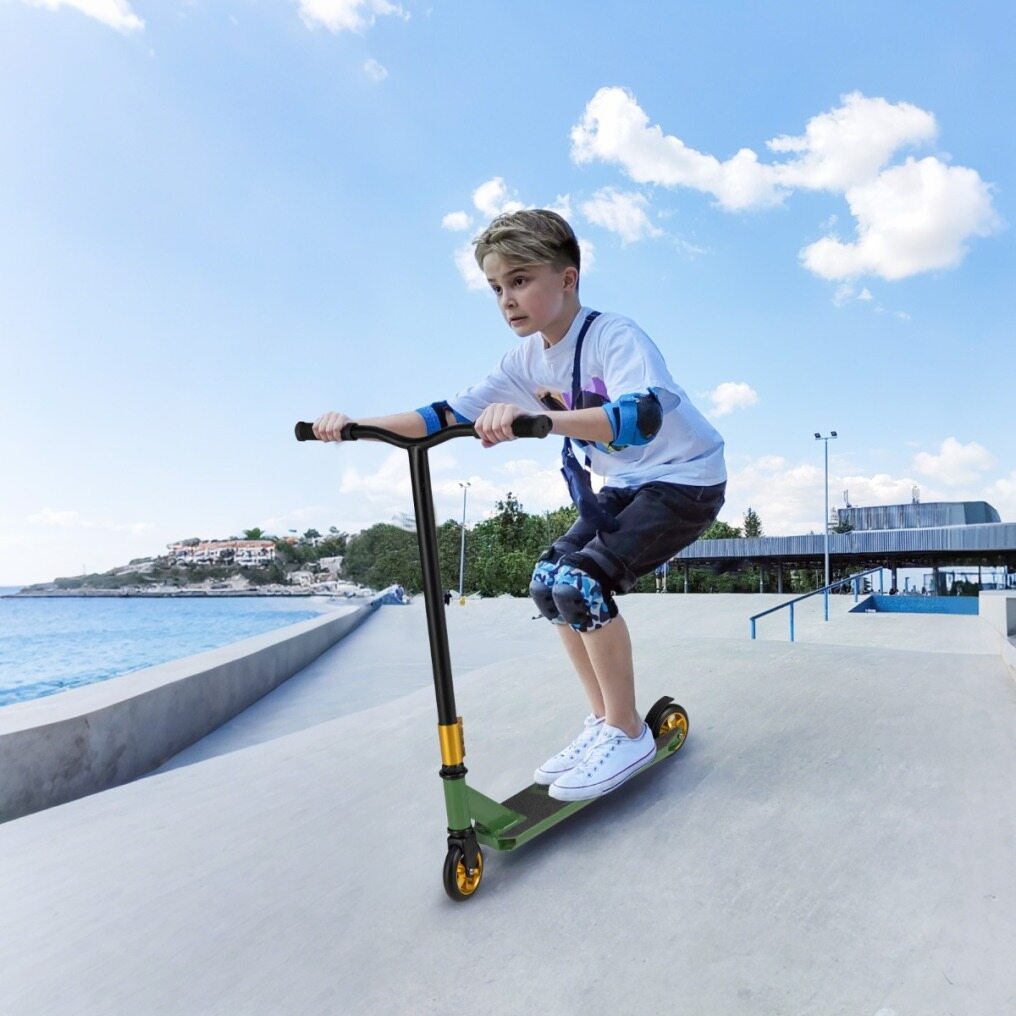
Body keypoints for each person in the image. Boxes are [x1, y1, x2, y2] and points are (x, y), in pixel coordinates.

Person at [312, 209, 726, 801]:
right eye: (496, 288)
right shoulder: (525, 361)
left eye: (520, 280)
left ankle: (628, 732)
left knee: (582, 582)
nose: (507, 299)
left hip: (685, 479)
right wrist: (356, 425)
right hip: (625, 486)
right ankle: (606, 720)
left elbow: (640, 417)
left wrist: (541, 420)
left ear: (568, 278)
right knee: (547, 582)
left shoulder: (614, 337)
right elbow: (442, 416)